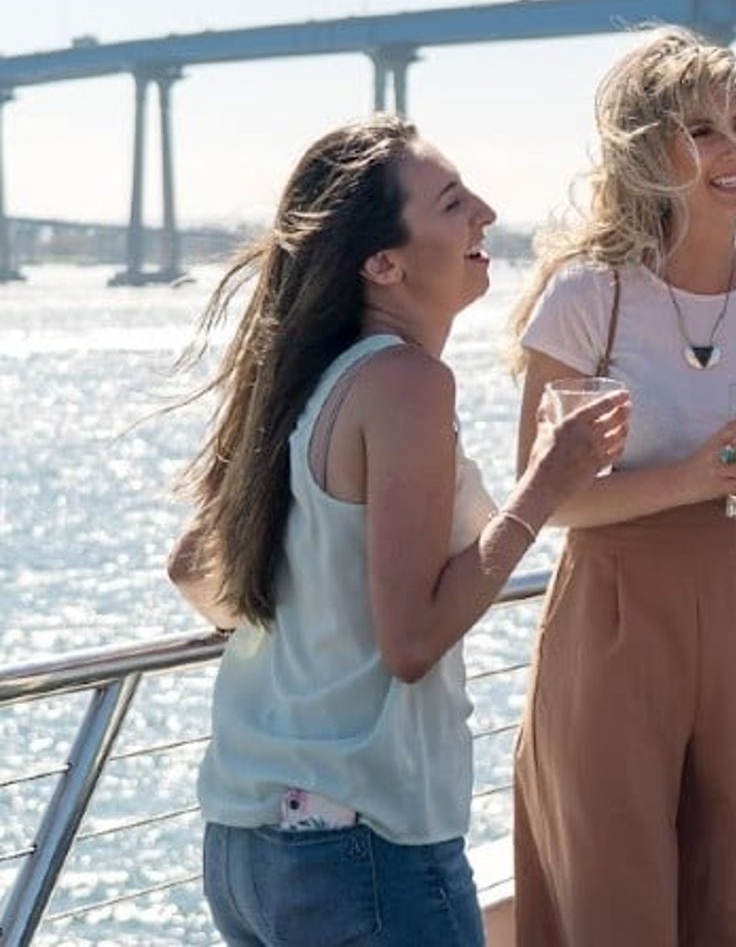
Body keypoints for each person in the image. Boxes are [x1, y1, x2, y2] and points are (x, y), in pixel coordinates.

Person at [167, 116, 629, 947]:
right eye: (454, 203)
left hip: (247, 841)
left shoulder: (308, 382)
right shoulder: (406, 383)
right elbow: (412, 639)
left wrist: (316, 622)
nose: (485, 211)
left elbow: (193, 570)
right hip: (362, 848)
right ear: (383, 264)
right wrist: (547, 485)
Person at [508, 26, 736, 947]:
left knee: (733, 880)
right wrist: (695, 476)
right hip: (609, 614)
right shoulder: (588, 297)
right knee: (615, 891)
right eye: (701, 133)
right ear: (650, 153)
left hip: (730, 603)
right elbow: (548, 501)